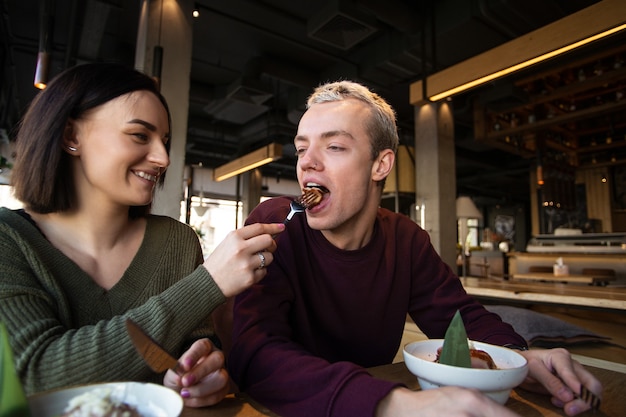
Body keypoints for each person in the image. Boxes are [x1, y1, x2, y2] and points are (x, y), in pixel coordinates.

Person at [228, 80, 602, 417]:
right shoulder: (277, 223)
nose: (307, 162)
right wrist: (391, 403)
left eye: (335, 146)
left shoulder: (406, 240)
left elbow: (461, 319)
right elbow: (255, 353)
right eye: (301, 149)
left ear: (380, 164)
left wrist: (517, 358)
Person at [0, 62, 284, 407]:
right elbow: (34, 375)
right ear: (71, 136)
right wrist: (207, 284)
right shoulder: (9, 239)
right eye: (139, 135)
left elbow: (196, 354)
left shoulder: (177, 243)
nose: (163, 158)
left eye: (164, 141)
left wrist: (201, 375)